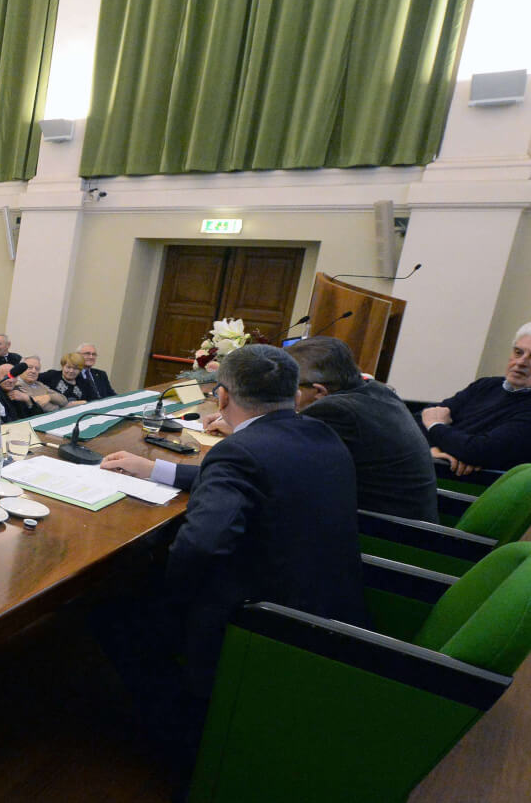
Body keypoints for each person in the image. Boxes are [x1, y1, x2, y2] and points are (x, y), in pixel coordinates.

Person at [95, 345, 369, 774]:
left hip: (263, 618)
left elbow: (201, 546)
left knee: (113, 605)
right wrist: (155, 469)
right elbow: (263, 473)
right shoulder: (320, 434)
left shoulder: (239, 452)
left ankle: (187, 745)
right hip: (329, 603)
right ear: (293, 394)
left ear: (222, 397)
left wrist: (170, 598)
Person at [284, 337, 438, 521]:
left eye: (290, 386)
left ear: (319, 391)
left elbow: (283, 462)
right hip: (405, 521)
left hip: (386, 532)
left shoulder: (337, 411)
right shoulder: (377, 391)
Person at [420, 324, 531, 475]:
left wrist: (435, 426)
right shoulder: (486, 385)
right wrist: (433, 449)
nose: (520, 362)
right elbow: (419, 419)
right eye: (518, 352)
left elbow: (479, 450)